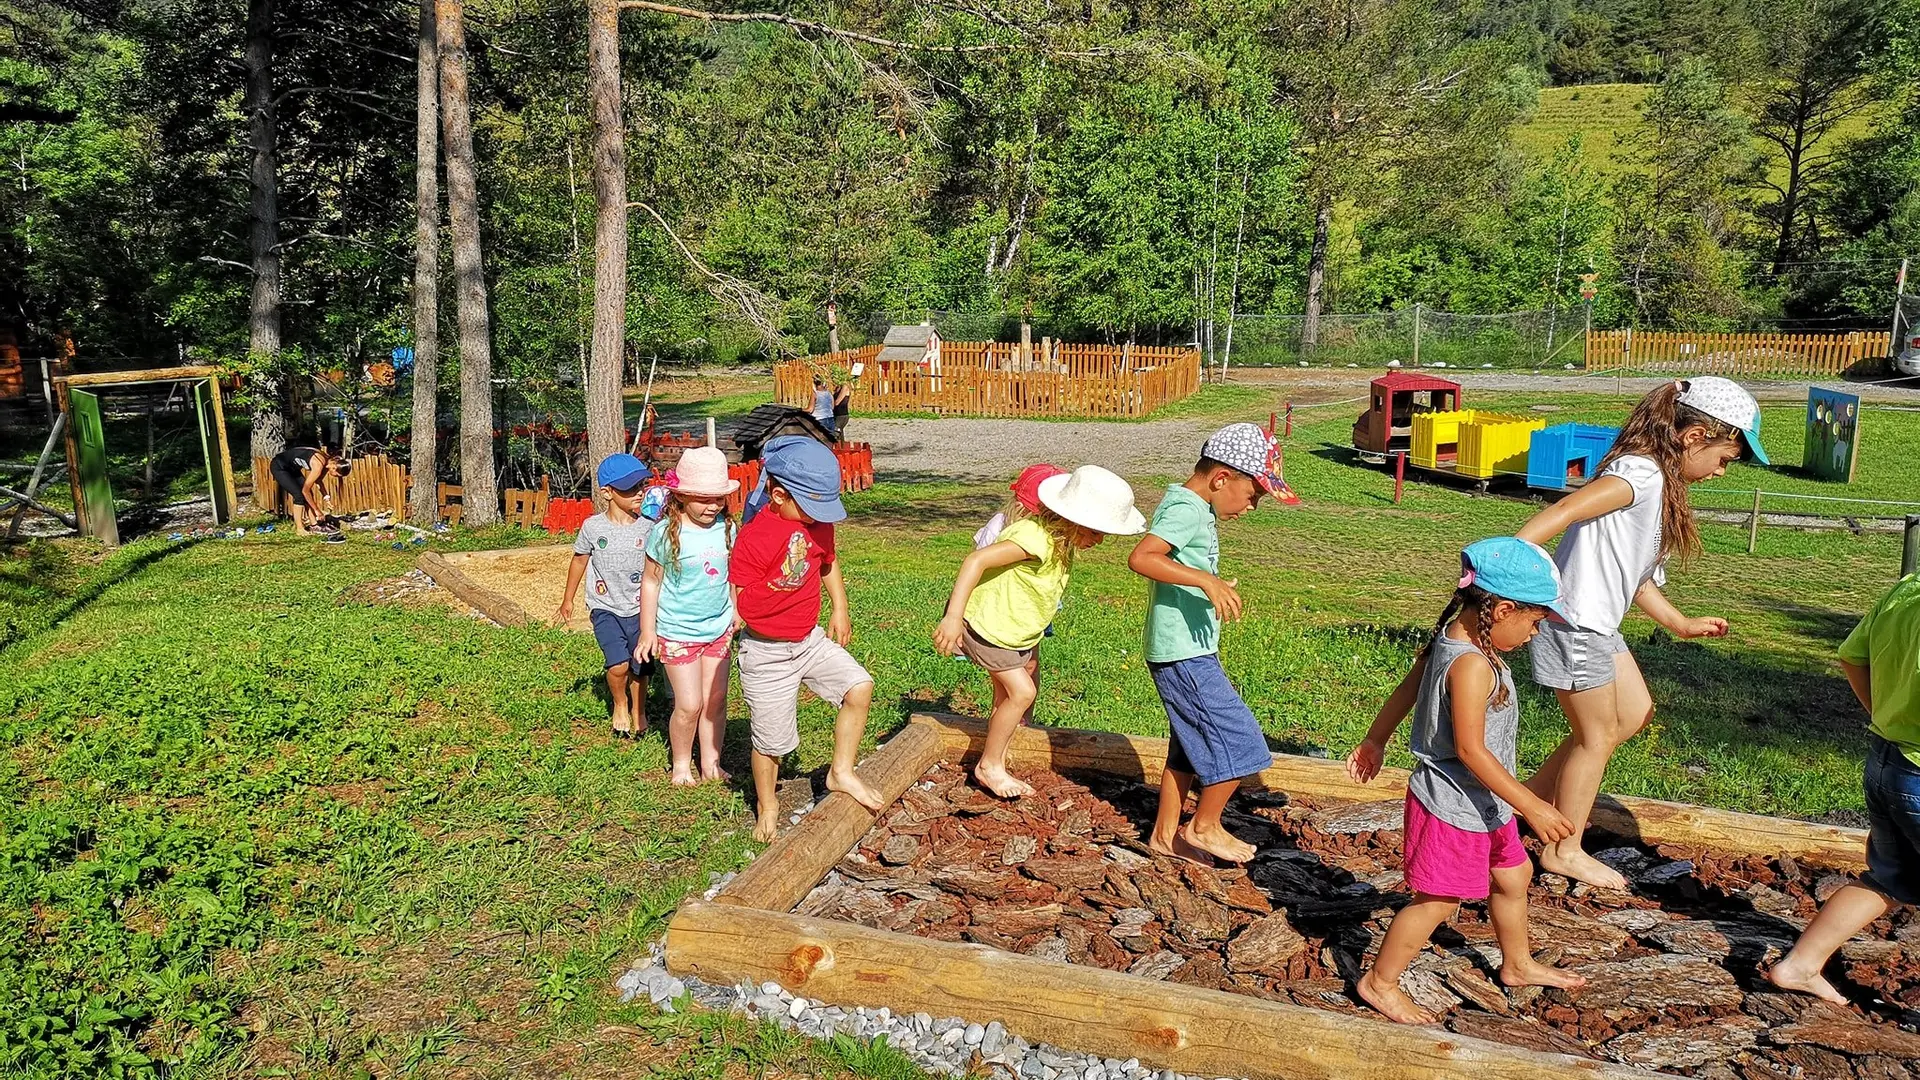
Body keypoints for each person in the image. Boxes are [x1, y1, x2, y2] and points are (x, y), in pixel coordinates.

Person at [1515, 376, 1769, 889]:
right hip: (1574, 620)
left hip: (1599, 625)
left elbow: (1638, 579)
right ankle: (1564, 849)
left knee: (1632, 714)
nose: (1721, 472)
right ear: (1694, 436)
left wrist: (1680, 622)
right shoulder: (1642, 473)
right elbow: (1567, 509)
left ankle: (1529, 802)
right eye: (1725, 458)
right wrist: (1509, 556)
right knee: (1598, 734)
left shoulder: (1660, 484)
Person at [1346, 537, 1589, 1023]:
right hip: (1452, 807)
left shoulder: (1455, 639)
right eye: (1536, 621)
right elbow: (1470, 750)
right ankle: (1380, 981)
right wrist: (1534, 805)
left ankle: (1516, 964)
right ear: (1501, 609)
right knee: (1437, 901)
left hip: (1485, 804)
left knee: (1514, 874)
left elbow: (1408, 688)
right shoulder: (1472, 664)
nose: (1537, 634)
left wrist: (1376, 738)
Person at [934, 464, 1145, 798]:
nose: (1100, 540)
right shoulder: (1032, 537)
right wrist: (953, 617)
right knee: (1022, 693)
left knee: (1005, 697)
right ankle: (989, 766)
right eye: (1095, 532)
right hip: (988, 628)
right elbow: (975, 562)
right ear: (1070, 518)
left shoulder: (1059, 540)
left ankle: (997, 755)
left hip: (1012, 631)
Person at [1128, 424, 1283, 865]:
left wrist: (1207, 585)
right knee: (1243, 741)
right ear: (1221, 479)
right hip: (1182, 653)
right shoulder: (1188, 509)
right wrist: (1205, 580)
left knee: (1188, 745)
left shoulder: (1195, 506)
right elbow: (1142, 557)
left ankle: (1163, 835)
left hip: (1186, 647)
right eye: (1253, 495)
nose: (1252, 507)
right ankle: (1204, 825)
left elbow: (1175, 563)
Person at [1768, 573, 1920, 1005]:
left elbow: (1852, 656)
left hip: (1886, 762)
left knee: (1892, 878)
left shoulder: (1907, 589)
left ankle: (1800, 965)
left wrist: (1885, 714)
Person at [730, 435, 883, 842]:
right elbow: (740, 593)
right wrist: (758, 602)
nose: (818, 517)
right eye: (811, 507)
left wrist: (840, 608)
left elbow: (828, 565)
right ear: (778, 495)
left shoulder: (820, 527)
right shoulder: (754, 536)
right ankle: (768, 804)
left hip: (809, 640)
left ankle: (841, 772)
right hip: (766, 652)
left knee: (859, 687)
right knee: (772, 742)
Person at [637, 446, 740, 786]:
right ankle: (681, 763)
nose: (712, 506)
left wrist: (736, 610)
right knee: (690, 704)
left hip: (718, 628)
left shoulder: (727, 528)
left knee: (716, 699)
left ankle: (711, 761)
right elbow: (651, 582)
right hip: (677, 631)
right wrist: (647, 632)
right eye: (704, 499)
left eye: (719, 499)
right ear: (680, 496)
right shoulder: (666, 533)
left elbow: (732, 576)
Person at [555, 453, 658, 739]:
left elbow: (659, 568)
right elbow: (579, 560)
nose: (638, 492)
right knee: (618, 664)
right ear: (607, 493)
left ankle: (639, 709)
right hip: (605, 607)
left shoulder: (649, 527)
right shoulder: (593, 527)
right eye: (629, 488)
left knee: (641, 667)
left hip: (641, 609)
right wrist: (568, 600)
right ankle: (620, 703)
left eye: (641, 485)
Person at [270, 442, 349, 536]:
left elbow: (318, 481)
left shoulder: (326, 463)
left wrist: (326, 498)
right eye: (337, 475)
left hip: (293, 469)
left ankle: (314, 525)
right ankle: (299, 529)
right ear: (334, 467)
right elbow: (305, 490)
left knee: (308, 494)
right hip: (279, 466)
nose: (335, 477)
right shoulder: (318, 464)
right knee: (299, 495)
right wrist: (317, 510)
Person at [832, 376, 852, 443]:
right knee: (840, 435)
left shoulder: (845, 387)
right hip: (836, 414)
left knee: (835, 433)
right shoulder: (837, 387)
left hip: (842, 415)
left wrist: (829, 407)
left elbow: (837, 402)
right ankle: (841, 449)